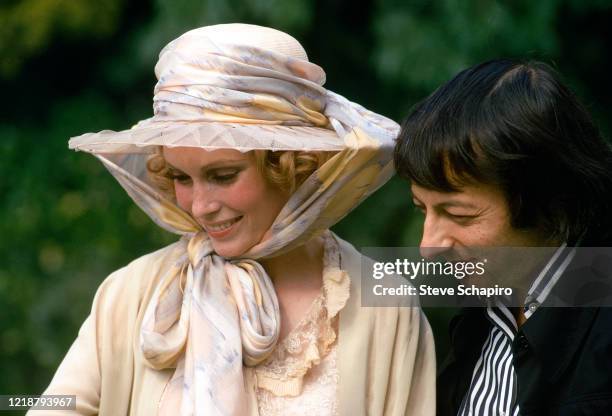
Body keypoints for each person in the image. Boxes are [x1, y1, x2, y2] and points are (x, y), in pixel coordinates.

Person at [34, 24, 436, 416]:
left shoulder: (385, 309)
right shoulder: (131, 295)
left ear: (290, 165)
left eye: (222, 175)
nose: (200, 206)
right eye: (180, 177)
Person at [394, 59, 612, 415]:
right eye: (422, 208)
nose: (428, 246)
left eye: (459, 215)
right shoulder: (482, 312)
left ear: (551, 204)